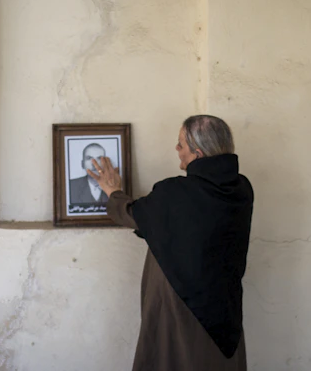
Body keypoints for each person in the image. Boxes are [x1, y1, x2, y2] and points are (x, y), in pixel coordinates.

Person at [87, 115, 254, 371]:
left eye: (180, 144)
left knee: (175, 357)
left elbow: (133, 214)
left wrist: (114, 192)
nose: (176, 149)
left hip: (181, 304)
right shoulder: (242, 189)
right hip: (224, 305)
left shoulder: (175, 193)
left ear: (197, 154)